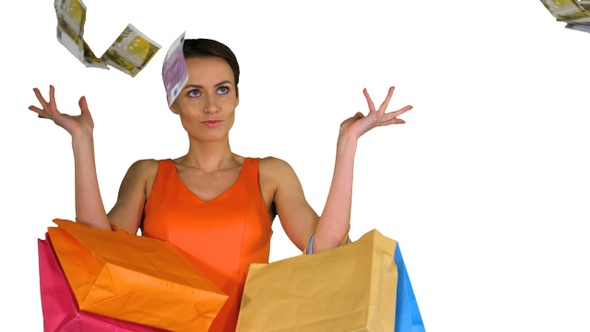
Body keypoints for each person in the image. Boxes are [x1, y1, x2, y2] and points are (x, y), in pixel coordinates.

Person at [28, 38, 412, 331]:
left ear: (237, 97)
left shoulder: (270, 174)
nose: (211, 105)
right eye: (194, 92)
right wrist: (82, 141)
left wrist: (347, 143)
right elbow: (98, 245)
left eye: (223, 89)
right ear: (173, 101)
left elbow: (325, 248)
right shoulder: (147, 175)